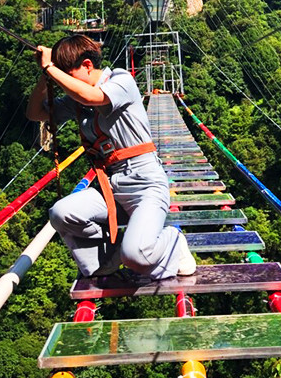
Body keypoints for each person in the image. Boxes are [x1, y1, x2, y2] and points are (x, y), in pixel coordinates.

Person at [26, 34, 196, 279]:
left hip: (145, 183)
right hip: (111, 185)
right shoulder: (76, 102)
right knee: (60, 213)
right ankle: (110, 255)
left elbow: (92, 97)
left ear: (87, 65)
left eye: (67, 76)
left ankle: (172, 242)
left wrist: (51, 68)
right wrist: (45, 77)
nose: (64, 84)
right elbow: (35, 114)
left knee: (137, 256)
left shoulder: (121, 79)